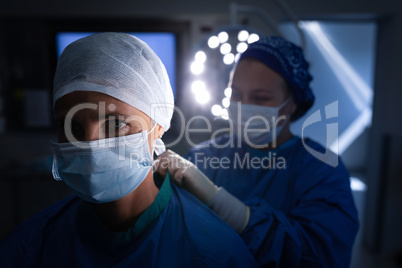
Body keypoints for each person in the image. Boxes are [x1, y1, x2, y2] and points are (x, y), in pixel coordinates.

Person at [0, 32, 258, 267]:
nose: (90, 144)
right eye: (72, 126)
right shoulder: (32, 246)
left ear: (157, 127)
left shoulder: (215, 253)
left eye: (116, 124)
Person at [155, 36, 359, 267]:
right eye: (236, 95)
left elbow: (319, 256)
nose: (243, 106)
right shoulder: (205, 156)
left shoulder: (322, 170)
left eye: (260, 98)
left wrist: (223, 205)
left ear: (292, 102)